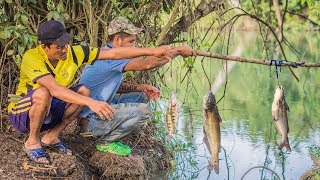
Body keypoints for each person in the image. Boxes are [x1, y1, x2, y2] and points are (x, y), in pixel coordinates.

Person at [7, 20, 171, 164]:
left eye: (66, 45)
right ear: (44, 47)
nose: (65, 50)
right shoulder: (32, 57)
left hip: (50, 108)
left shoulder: (73, 52)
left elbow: (113, 53)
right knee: (43, 93)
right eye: (59, 47)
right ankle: (32, 141)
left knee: (84, 91)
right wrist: (92, 103)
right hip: (22, 115)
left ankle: (51, 136)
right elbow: (54, 89)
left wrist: (152, 51)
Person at [78, 17, 196, 154]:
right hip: (90, 120)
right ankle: (104, 141)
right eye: (131, 41)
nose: (134, 46)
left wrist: (141, 87)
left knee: (141, 96)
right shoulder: (110, 56)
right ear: (117, 40)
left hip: (95, 112)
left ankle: (109, 133)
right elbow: (146, 64)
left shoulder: (107, 52)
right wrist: (179, 51)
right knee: (144, 111)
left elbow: (112, 86)